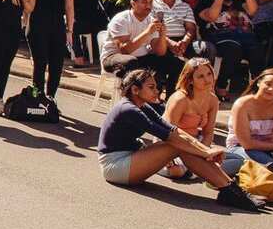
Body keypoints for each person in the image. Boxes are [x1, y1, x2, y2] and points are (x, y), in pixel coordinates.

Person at [96, 69, 263, 210]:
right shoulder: (128, 109)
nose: (157, 91)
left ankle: (231, 188)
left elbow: (173, 130)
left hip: (130, 158)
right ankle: (229, 191)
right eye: (151, 87)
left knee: (180, 142)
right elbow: (168, 136)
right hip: (115, 166)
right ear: (135, 90)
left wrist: (206, 150)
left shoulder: (143, 106)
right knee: (175, 145)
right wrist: (206, 152)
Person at [23, 0, 75, 100]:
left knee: (57, 65)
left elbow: (69, 6)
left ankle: (50, 98)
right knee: (40, 64)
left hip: (58, 25)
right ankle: (36, 97)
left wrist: (70, 30)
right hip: (38, 25)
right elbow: (30, 8)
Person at [195, 0, 262, 96]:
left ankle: (255, 86)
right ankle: (221, 84)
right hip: (221, 39)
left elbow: (254, 10)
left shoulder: (239, 4)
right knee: (233, 48)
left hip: (246, 39)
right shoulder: (206, 2)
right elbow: (211, 16)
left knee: (256, 48)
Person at [100, 0, 179, 88]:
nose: (148, 6)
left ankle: (168, 100)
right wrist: (147, 32)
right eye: (144, 2)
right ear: (133, 4)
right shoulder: (121, 19)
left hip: (140, 58)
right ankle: (131, 99)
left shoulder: (151, 20)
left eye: (150, 2)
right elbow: (124, 50)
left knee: (175, 63)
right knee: (131, 62)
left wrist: (162, 34)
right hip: (113, 57)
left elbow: (160, 52)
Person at [158, 58, 220, 179]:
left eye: (209, 74)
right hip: (173, 143)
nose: (207, 80)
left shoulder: (213, 100)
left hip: (197, 142)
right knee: (177, 171)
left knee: (226, 163)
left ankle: (195, 169)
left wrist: (204, 152)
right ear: (190, 80)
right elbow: (169, 134)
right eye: (200, 76)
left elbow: (208, 132)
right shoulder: (180, 99)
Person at [152, 0, 216, 69]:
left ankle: (205, 78)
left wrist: (184, 43)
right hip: (160, 41)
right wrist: (170, 43)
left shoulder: (185, 6)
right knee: (172, 61)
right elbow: (152, 29)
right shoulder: (151, 4)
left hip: (183, 41)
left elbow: (191, 28)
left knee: (207, 48)